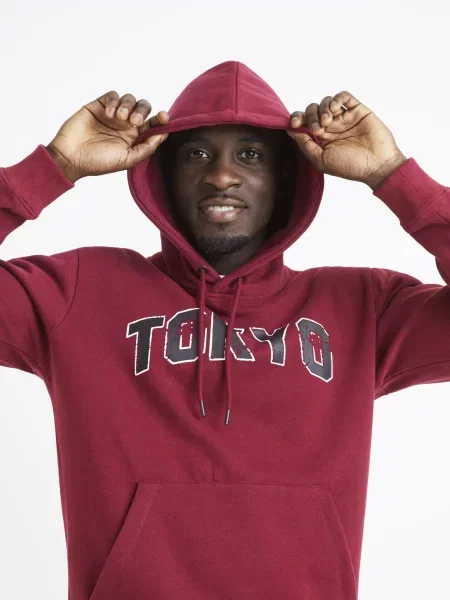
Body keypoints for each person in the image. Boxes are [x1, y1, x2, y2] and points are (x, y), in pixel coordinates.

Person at [1, 60, 449, 600]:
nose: (221, 176)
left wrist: (395, 176)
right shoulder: (79, 292)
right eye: (196, 155)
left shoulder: (362, 307)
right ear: (161, 176)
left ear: (285, 179)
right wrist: (52, 167)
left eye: (251, 155)